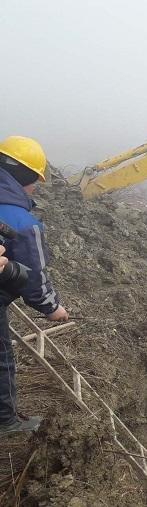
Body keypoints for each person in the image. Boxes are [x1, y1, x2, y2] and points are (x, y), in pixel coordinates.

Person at [0, 136, 69, 436]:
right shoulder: (23, 222)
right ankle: (6, 421)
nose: (34, 189)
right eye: (34, 182)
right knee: (1, 359)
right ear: (25, 177)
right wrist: (52, 308)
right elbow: (34, 277)